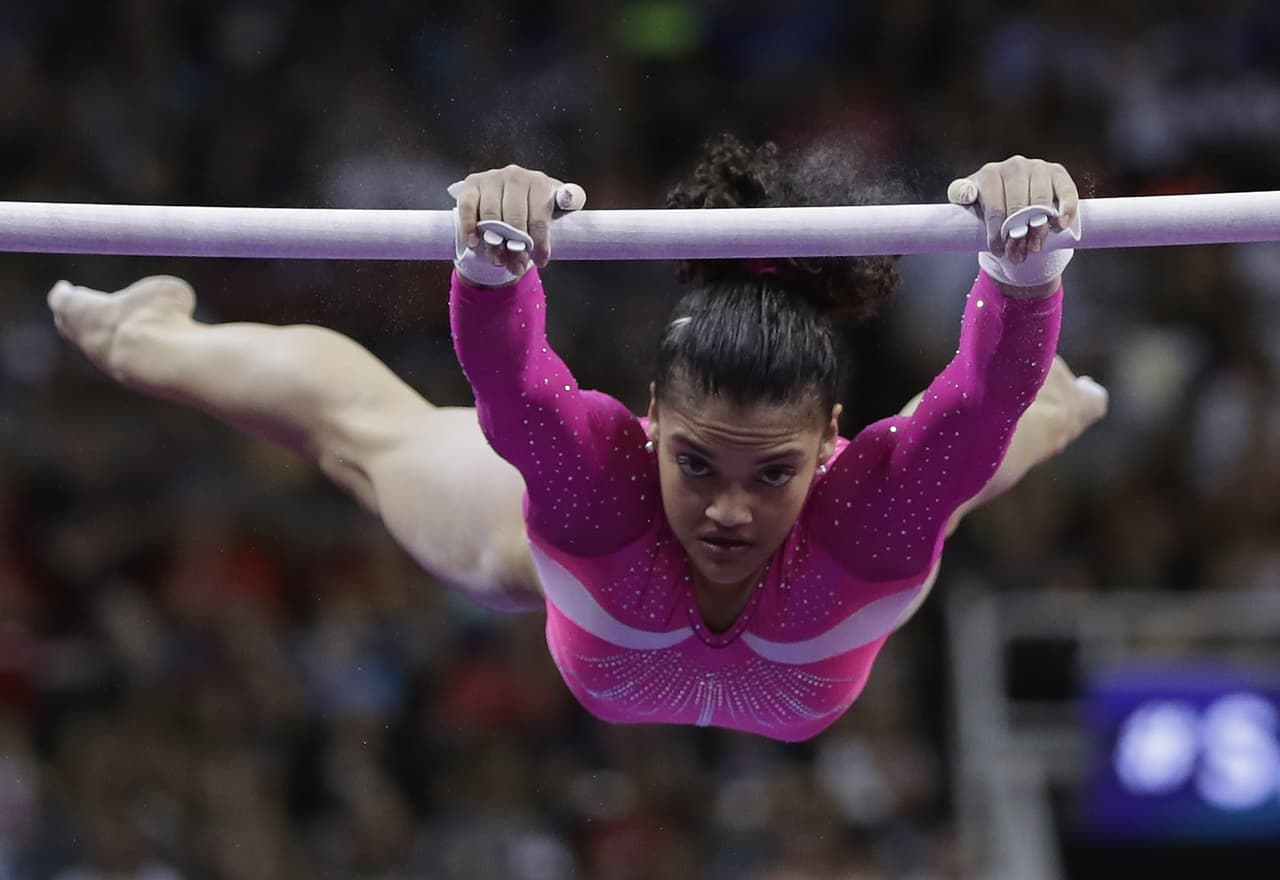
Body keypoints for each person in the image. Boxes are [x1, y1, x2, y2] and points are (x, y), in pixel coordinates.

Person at [47, 137, 1105, 741]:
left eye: (772, 472)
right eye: (695, 461)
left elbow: (974, 403)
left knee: (988, 435)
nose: (727, 510)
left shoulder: (860, 508)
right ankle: (146, 334)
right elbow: (509, 381)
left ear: (830, 438)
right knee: (361, 434)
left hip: (806, 550)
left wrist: (1026, 266)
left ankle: (1058, 395)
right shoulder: (603, 487)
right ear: (646, 420)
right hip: (576, 560)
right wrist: (492, 262)